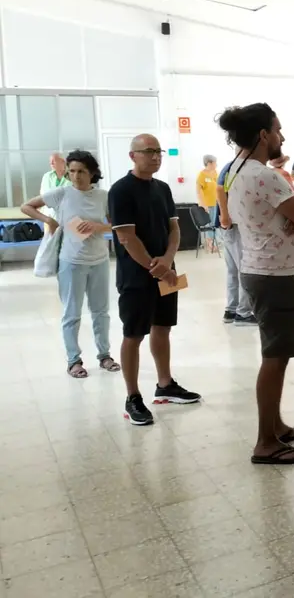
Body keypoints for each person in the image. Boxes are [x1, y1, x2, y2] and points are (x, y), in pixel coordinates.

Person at [219, 103, 294, 465]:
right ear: (263, 134)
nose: (281, 137)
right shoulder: (265, 175)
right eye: (278, 130)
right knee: (274, 359)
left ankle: (274, 424)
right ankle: (265, 441)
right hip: (275, 276)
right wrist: (292, 218)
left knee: (275, 354)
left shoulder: (235, 170)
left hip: (258, 270)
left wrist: (287, 217)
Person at [109, 134, 201, 426]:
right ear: (132, 156)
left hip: (166, 271)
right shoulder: (121, 190)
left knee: (162, 327)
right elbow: (126, 237)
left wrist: (168, 259)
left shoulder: (162, 188)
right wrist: (156, 265)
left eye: (158, 151)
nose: (156, 156)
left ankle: (165, 384)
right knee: (134, 335)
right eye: (148, 151)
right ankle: (133, 397)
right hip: (137, 275)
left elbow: (174, 229)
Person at [21, 151, 118, 378]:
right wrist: (49, 220)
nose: (75, 176)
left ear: (92, 173)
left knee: (101, 312)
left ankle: (104, 355)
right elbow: (27, 206)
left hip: (99, 261)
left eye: (81, 171)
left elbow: (117, 224)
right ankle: (74, 360)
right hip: (71, 262)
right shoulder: (61, 194)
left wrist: (97, 227)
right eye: (72, 171)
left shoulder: (103, 196)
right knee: (72, 313)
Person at [216, 149, 256, 326]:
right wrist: (225, 216)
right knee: (244, 269)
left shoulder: (231, 167)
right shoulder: (236, 167)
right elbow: (219, 190)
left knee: (233, 270)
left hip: (229, 226)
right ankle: (243, 313)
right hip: (234, 225)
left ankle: (231, 310)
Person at [39, 152, 71, 224]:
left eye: (53, 161)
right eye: (50, 161)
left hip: (68, 217)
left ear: (62, 162)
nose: (51, 163)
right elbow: (44, 194)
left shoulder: (71, 175)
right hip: (49, 217)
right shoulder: (47, 176)